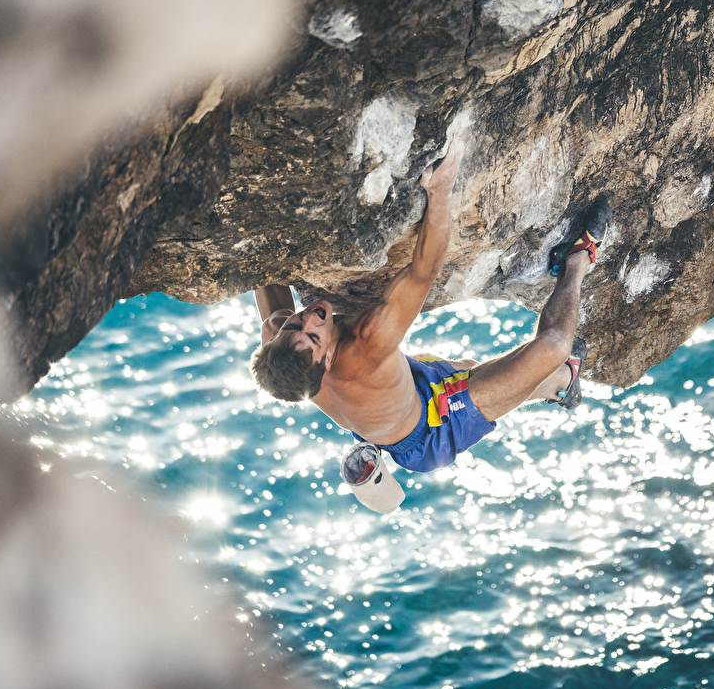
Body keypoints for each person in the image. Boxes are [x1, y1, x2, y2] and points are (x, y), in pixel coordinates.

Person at [248, 138, 611, 473]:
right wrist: (439, 193)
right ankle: (577, 266)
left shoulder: (276, 336)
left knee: (473, 370)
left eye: (294, 326)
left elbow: (260, 266)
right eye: (314, 337)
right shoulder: (369, 345)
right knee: (554, 348)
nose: (308, 319)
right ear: (327, 361)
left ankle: (558, 387)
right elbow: (424, 271)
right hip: (432, 427)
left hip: (396, 394)